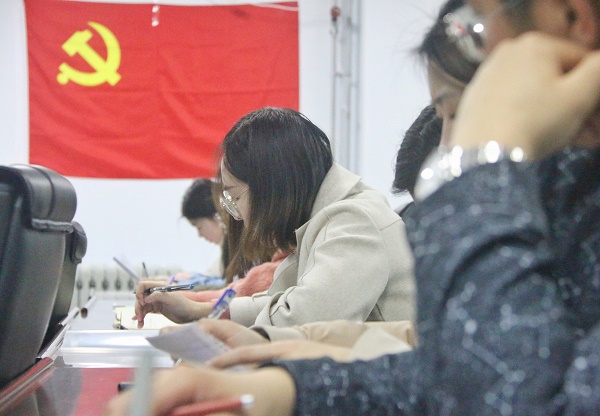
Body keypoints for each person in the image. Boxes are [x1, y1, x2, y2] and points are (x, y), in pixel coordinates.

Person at [107, 0, 600, 414]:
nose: (450, 144)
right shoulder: (569, 193)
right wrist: (277, 383)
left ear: (574, 17)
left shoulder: (355, 216)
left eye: (461, 112)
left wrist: (480, 166)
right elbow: (441, 364)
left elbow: (498, 389)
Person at [133, 107, 416, 329]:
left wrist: (205, 316)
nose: (237, 217)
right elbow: (283, 302)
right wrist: (197, 311)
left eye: (236, 198)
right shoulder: (324, 219)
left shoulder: (355, 222)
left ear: (271, 190)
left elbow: (303, 319)